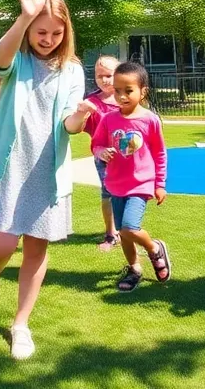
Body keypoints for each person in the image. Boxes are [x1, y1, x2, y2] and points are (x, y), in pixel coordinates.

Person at [0, 0, 85, 360]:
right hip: (10, 166)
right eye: (41, 31)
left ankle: (21, 323)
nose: (48, 39)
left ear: (66, 32)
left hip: (47, 172)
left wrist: (79, 118)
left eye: (56, 33)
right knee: (1, 244)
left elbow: (68, 123)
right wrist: (24, 16)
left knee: (36, 249)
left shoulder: (73, 70)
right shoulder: (17, 58)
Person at [68, 62, 170, 293]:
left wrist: (160, 184)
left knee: (129, 227)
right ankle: (134, 269)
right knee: (123, 233)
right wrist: (101, 152)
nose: (122, 96)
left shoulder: (150, 120)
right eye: (117, 90)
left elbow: (160, 153)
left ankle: (154, 249)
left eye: (128, 90)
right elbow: (96, 144)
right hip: (115, 185)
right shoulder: (108, 119)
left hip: (140, 184)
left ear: (143, 91)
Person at [86, 55, 121, 251]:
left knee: (129, 192)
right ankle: (111, 232)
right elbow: (86, 129)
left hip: (128, 157)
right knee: (108, 193)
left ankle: (128, 229)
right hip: (104, 157)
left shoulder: (127, 98)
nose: (104, 80)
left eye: (109, 75)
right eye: (99, 76)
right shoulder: (92, 102)